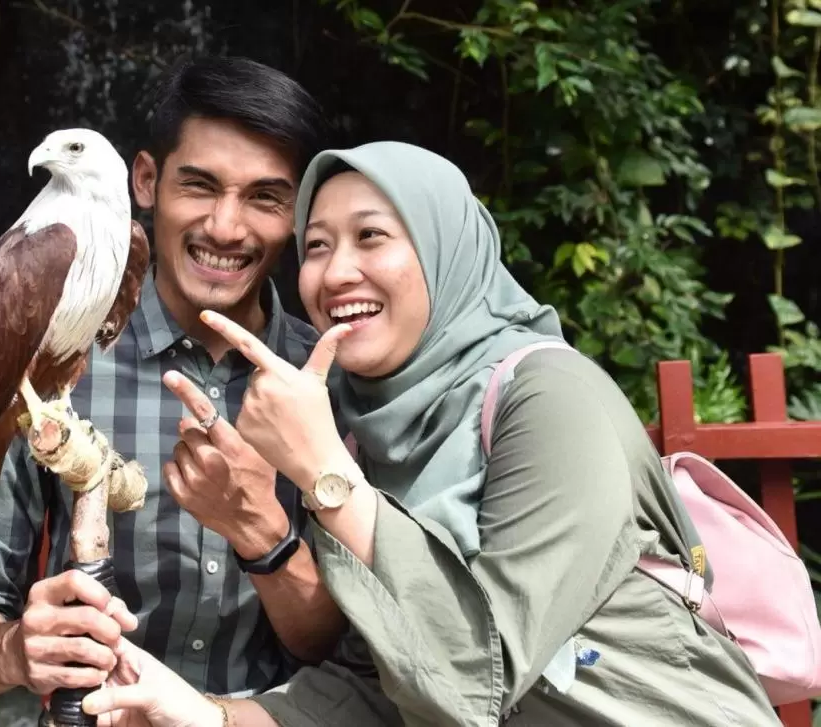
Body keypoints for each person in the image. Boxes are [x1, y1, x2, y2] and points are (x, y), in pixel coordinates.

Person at [74, 141, 783, 726]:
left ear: (447, 250)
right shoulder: (367, 435)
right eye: (316, 246)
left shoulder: (552, 399)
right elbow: (378, 683)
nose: (336, 271)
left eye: (372, 236)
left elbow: (476, 677)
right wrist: (205, 715)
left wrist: (323, 472)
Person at [0, 54, 352, 707]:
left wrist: (263, 532)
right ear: (146, 181)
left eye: (265, 196)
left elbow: (356, 651)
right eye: (201, 186)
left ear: (299, 213)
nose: (226, 228)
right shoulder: (56, 363)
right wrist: (19, 649)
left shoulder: (332, 378)